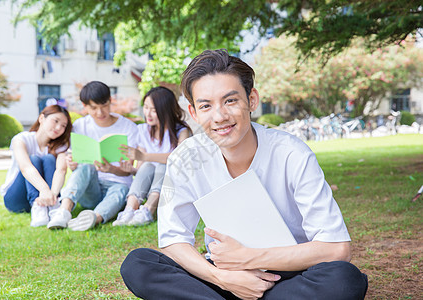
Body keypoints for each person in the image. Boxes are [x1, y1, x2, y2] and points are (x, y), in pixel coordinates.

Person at [120, 49, 368, 299]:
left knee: (343, 280)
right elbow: (173, 240)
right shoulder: (185, 158)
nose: (219, 116)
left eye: (230, 101)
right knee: (139, 264)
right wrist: (223, 278)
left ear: (251, 100)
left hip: (287, 275)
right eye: (206, 106)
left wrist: (248, 257)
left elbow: (337, 249)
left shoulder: (292, 154)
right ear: (194, 113)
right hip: (223, 277)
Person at [47, 81, 138, 231]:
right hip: (91, 188)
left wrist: (111, 169)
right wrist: (72, 164)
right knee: (86, 166)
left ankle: (94, 218)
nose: (100, 113)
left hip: (117, 184)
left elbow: (128, 170)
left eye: (104, 106)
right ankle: (63, 211)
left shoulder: (128, 127)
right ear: (85, 106)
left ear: (110, 101)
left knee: (122, 190)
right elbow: (76, 163)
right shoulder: (79, 126)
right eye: (94, 108)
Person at [112, 86, 191, 226]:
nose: (148, 113)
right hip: (150, 185)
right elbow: (143, 169)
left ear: (166, 110)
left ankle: (148, 210)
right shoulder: (143, 130)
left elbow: (178, 158)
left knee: (161, 164)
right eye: (146, 107)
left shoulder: (181, 131)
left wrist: (144, 156)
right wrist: (131, 170)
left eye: (154, 110)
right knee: (148, 165)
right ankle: (129, 209)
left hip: (173, 187)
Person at [1, 104, 72, 227]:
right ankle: (37, 206)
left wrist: (53, 194)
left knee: (49, 158)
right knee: (33, 159)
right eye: (55, 121)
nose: (58, 127)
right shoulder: (21, 139)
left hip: (49, 197)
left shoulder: (60, 147)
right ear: (41, 118)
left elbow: (61, 170)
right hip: (17, 198)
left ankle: (52, 206)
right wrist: (44, 190)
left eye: (63, 126)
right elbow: (26, 168)